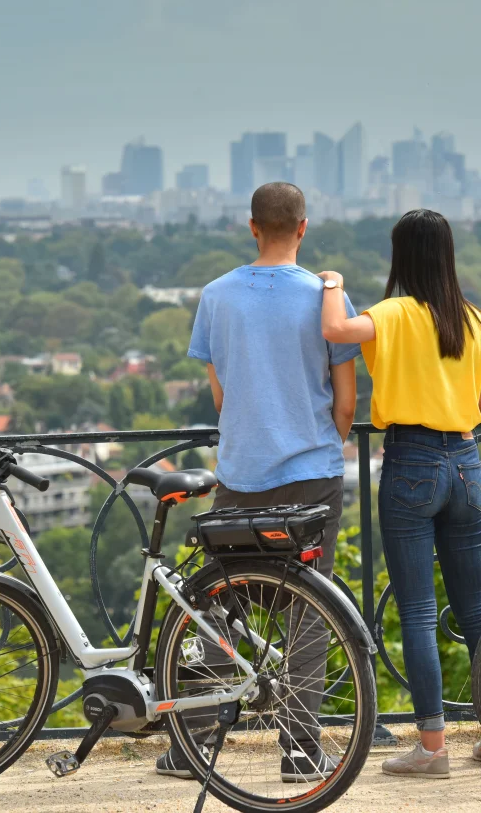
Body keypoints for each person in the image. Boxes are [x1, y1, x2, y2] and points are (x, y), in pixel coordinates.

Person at [156, 182, 361, 781]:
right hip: (313, 473)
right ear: (302, 228)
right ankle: (299, 750)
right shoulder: (327, 299)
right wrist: (326, 438)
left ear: (253, 227)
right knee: (309, 609)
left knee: (218, 602)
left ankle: (193, 743)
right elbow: (345, 403)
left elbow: (221, 395)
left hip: (241, 475)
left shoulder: (217, 296)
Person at [320, 208, 481, 779]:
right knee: (477, 607)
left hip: (412, 462)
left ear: (401, 257)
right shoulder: (469, 318)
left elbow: (336, 332)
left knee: (415, 612)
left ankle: (433, 748)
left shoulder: (391, 313)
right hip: (468, 462)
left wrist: (334, 286)